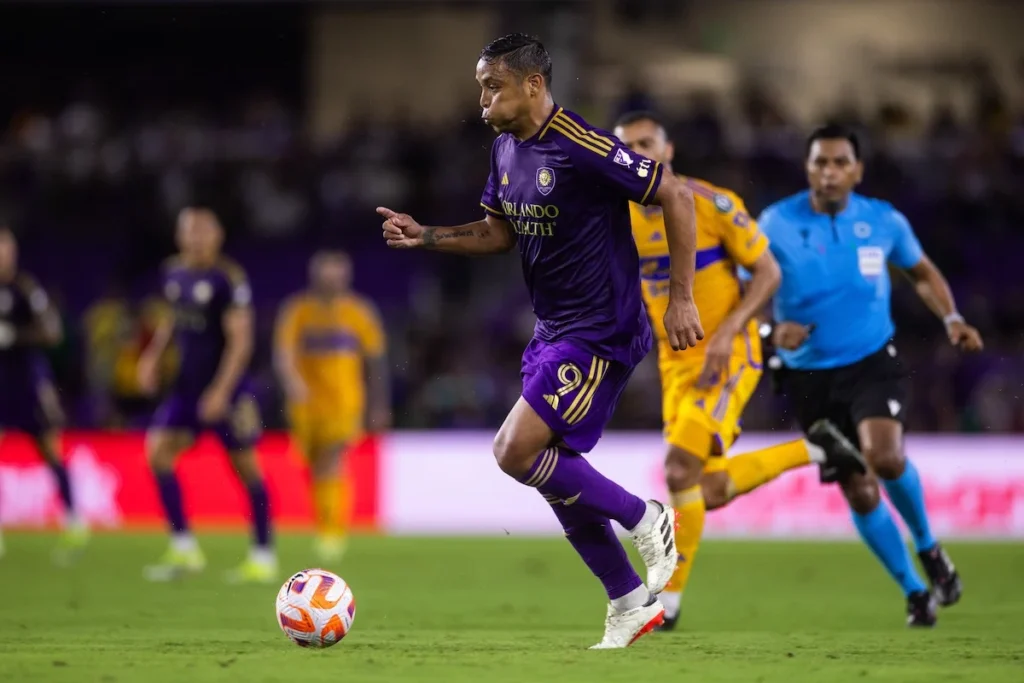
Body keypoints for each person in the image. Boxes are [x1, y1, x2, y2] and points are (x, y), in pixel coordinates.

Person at [378, 34, 705, 649]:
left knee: (514, 450)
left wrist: (681, 297)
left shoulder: (581, 145)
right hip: (553, 330)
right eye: (480, 88)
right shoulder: (505, 148)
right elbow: (498, 233)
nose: (482, 100)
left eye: (492, 86)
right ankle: (628, 600)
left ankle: (647, 517)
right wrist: (426, 236)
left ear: (533, 85)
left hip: (602, 329)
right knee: (550, 471)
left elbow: (675, 194)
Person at [612, 112, 867, 630]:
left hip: (728, 355)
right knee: (706, 489)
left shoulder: (710, 203)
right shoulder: (617, 217)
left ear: (668, 149)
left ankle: (667, 603)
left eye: (647, 143)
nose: (639, 153)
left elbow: (768, 272)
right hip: (674, 362)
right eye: (628, 147)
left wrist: (730, 332)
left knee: (678, 470)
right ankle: (816, 447)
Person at [759, 124, 983, 626]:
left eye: (840, 162)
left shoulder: (883, 221)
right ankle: (914, 591)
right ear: (807, 169)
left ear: (857, 170)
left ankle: (928, 546)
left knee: (884, 456)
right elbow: (741, 292)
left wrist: (951, 318)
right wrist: (771, 331)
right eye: (820, 162)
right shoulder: (774, 223)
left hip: (871, 362)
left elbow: (922, 272)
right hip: (808, 376)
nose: (829, 172)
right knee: (859, 491)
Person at [138, 208, 276, 583]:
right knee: (157, 453)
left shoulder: (228, 279)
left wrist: (220, 391)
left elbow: (241, 341)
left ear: (218, 236)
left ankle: (263, 555)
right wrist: (152, 357)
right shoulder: (173, 272)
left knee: (245, 467)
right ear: (179, 236)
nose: (197, 239)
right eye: (190, 231)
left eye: (204, 231)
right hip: (186, 386)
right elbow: (172, 318)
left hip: (227, 389)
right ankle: (184, 549)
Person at [274, 250, 391, 561]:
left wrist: (379, 404)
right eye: (327, 276)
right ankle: (324, 524)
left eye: (337, 276)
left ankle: (333, 531)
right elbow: (283, 353)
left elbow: (376, 361)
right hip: (306, 405)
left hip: (345, 402)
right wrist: (293, 383)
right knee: (313, 466)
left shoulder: (359, 312)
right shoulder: (298, 310)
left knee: (332, 459)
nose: (333, 282)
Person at [0, 226, 89, 563]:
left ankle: (74, 522)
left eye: (5, 249)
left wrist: (14, 335)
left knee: (50, 449)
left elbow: (52, 333)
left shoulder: (25, 289)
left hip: (27, 384)